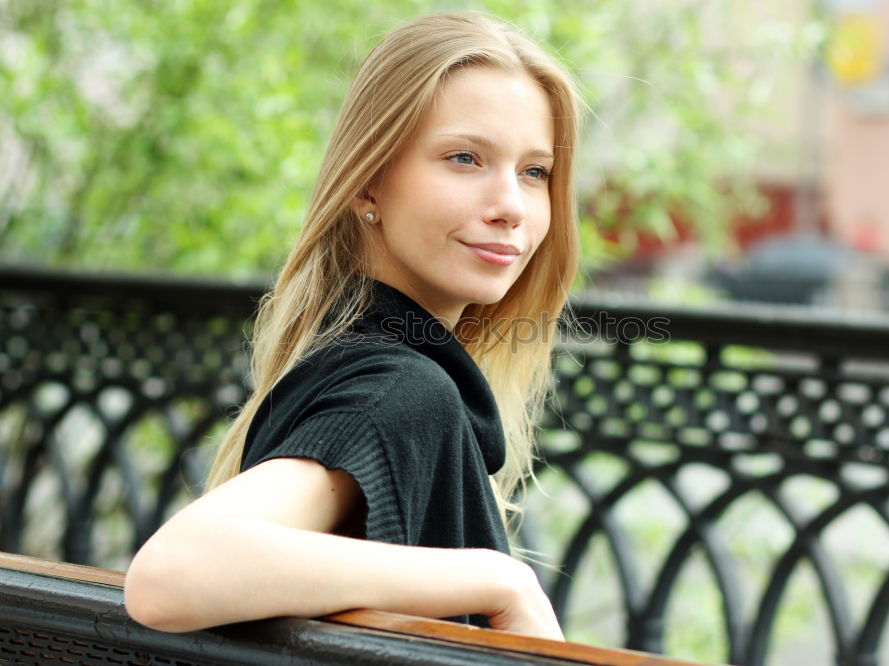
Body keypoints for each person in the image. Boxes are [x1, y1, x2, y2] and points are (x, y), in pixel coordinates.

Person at [123, 11, 580, 641]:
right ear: (368, 184)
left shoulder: (372, 365)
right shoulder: (396, 391)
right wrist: (500, 579)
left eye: (535, 172)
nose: (510, 206)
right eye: (465, 158)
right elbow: (171, 574)